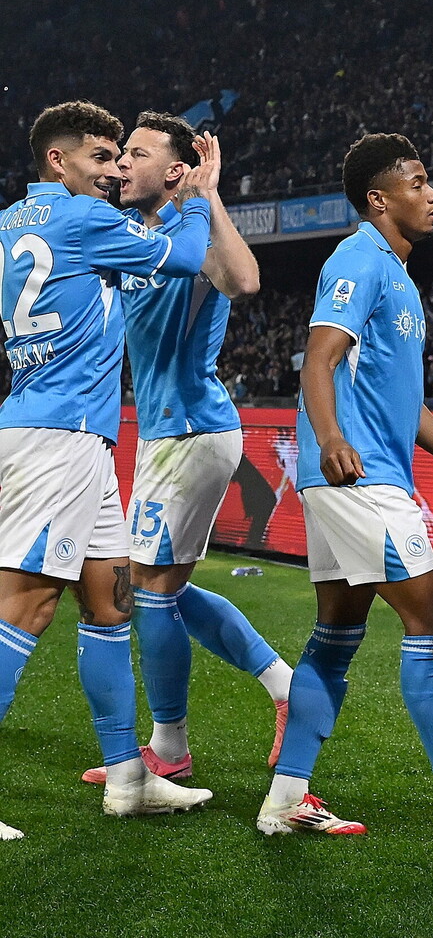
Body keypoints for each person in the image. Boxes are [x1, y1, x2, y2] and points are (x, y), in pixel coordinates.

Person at [258, 133, 433, 838]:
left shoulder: (397, 275)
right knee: (429, 620)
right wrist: (331, 439)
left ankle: (286, 799)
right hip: (359, 478)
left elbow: (403, 406)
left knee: (337, 633)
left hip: (350, 476)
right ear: (379, 200)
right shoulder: (358, 259)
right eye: (418, 183)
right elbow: (318, 360)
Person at [0, 101, 218, 837]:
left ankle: (128, 779)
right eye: (100, 157)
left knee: (109, 604)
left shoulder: (11, 223)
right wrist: (196, 196)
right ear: (56, 159)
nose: (114, 170)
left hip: (69, 435)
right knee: (23, 610)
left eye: (120, 157)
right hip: (57, 438)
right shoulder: (83, 217)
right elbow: (186, 257)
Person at [80, 112, 292, 788]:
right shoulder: (136, 236)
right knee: (162, 585)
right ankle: (286, 688)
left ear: (175, 171)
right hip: (163, 436)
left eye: (137, 154)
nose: (122, 164)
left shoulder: (189, 233)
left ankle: (169, 748)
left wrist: (210, 195)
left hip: (194, 431)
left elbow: (245, 281)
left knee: (150, 589)